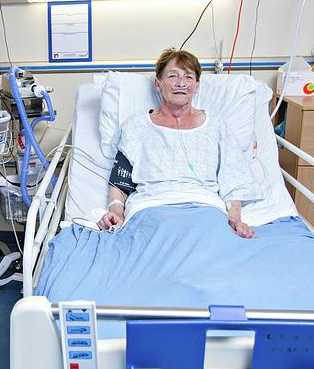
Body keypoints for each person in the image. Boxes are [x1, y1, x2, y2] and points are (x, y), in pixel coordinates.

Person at [96, 48, 260, 238]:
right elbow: (120, 183)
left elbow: (234, 181)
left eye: (189, 77)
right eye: (173, 76)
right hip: (151, 208)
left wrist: (236, 221)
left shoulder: (216, 126)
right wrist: (116, 211)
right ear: (158, 84)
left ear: (197, 85)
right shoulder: (136, 127)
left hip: (204, 208)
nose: (181, 83)